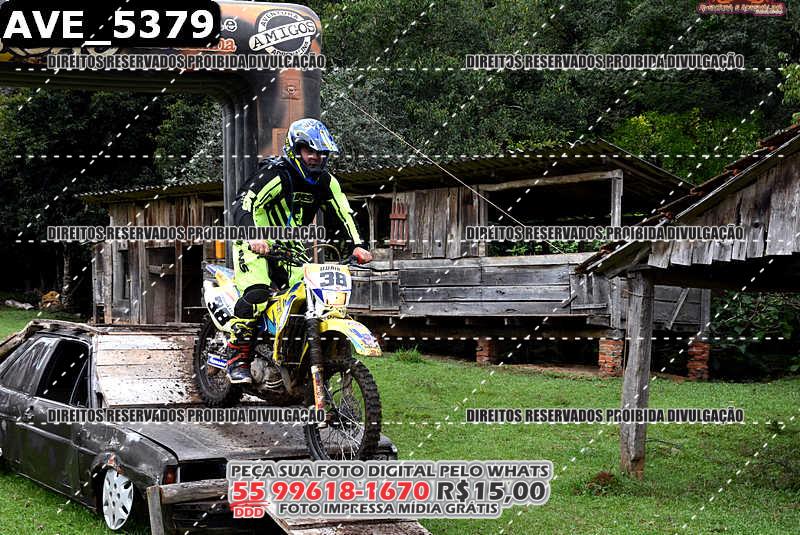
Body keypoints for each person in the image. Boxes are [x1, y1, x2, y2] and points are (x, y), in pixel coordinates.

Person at [226, 118, 372, 383]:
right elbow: (243, 203)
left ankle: (294, 358)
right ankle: (238, 356)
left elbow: (344, 212)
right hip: (255, 245)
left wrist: (359, 245)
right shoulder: (275, 174)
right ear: (295, 149)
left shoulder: (325, 182)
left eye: (321, 153)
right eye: (310, 151)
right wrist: (253, 235)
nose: (316, 157)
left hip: (290, 249)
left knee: (314, 297)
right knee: (257, 294)